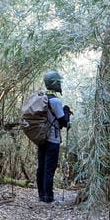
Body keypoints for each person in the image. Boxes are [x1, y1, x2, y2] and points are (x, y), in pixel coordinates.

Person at [36, 70, 71, 203]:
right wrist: (67, 112)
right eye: (59, 82)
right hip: (52, 139)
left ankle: (41, 195)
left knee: (41, 167)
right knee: (49, 168)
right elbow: (63, 122)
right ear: (54, 84)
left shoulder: (41, 98)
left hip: (41, 138)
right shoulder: (56, 101)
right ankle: (48, 197)